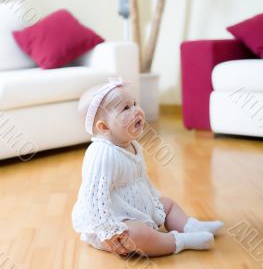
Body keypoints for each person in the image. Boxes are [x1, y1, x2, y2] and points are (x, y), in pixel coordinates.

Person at [71, 77, 223, 257]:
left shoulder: (132, 145)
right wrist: (108, 231)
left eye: (135, 104)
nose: (136, 111)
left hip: (135, 208)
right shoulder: (102, 154)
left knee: (168, 205)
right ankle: (180, 241)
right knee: (137, 235)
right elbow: (94, 199)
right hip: (112, 223)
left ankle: (191, 226)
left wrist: (154, 203)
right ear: (104, 127)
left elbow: (142, 180)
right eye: (126, 108)